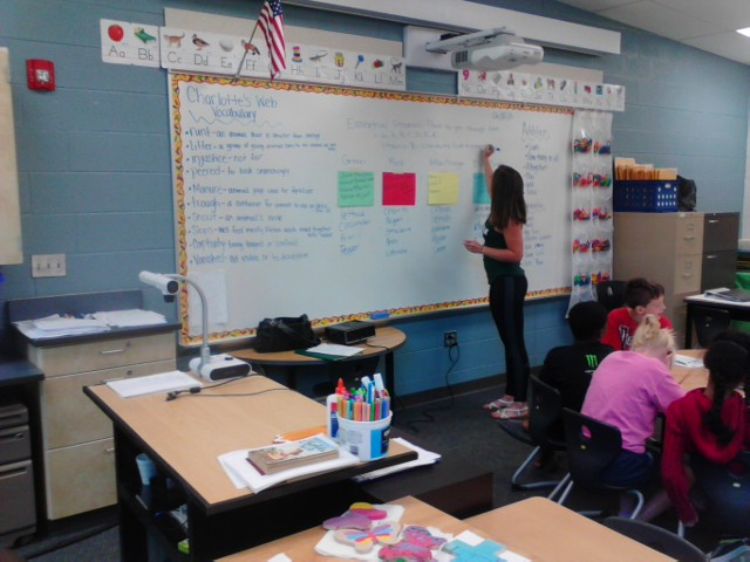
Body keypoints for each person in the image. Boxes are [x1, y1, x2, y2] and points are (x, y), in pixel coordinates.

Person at [582, 315, 684, 517]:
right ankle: (638, 522)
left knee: (638, 442)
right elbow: (682, 409)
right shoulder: (653, 369)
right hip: (621, 463)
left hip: (585, 451)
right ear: (668, 355)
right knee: (683, 472)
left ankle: (626, 511)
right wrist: (667, 371)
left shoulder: (611, 357)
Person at [466, 145, 530, 420]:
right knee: (508, 341)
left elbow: (516, 255)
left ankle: (522, 401)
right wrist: (485, 160)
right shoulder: (499, 206)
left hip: (509, 283)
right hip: (501, 283)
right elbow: (491, 181)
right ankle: (509, 394)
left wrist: (483, 250)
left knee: (514, 342)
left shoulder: (510, 218)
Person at [662, 339, 750, 526]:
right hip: (741, 493)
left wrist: (685, 512)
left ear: (707, 366)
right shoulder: (743, 412)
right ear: (742, 379)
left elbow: (671, 472)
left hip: (702, 483)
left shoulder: (681, 409)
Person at [540, 300, 613, 436]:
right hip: (602, 432)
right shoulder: (613, 358)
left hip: (559, 428)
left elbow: (543, 394)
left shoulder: (556, 356)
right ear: (603, 329)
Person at [601, 278, 673, 351]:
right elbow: (611, 351)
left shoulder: (663, 325)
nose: (664, 307)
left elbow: (666, 354)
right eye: (658, 305)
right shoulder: (616, 317)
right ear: (640, 310)